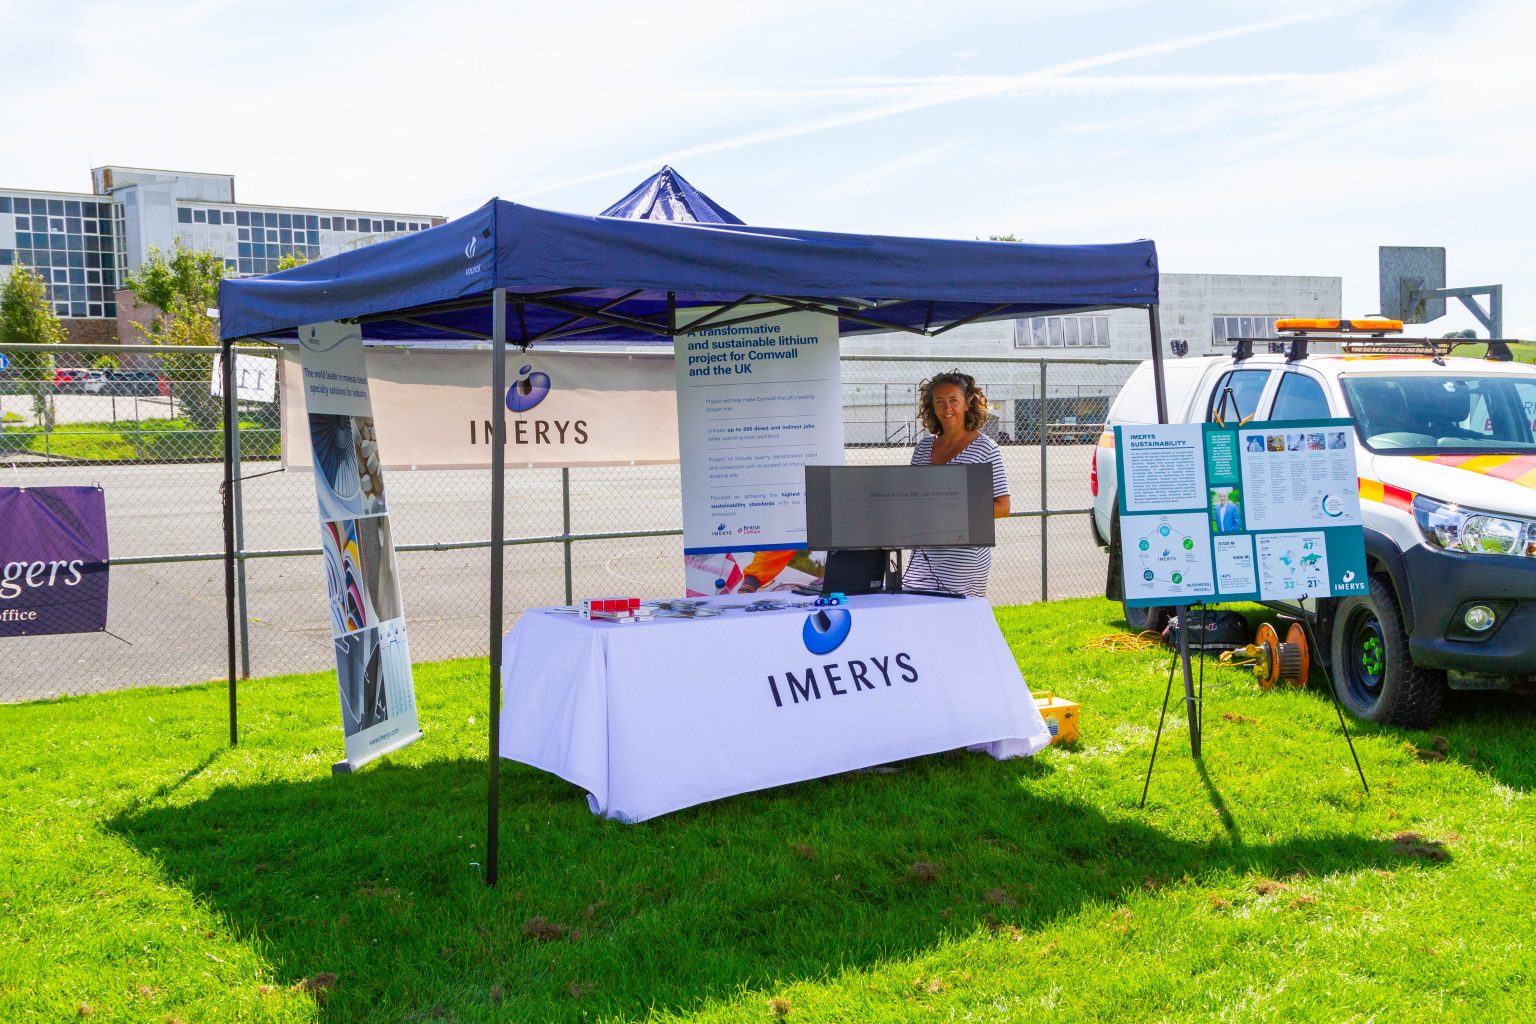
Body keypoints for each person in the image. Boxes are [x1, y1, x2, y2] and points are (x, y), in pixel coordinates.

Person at [900, 371, 1010, 597]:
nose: (946, 407)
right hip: (923, 557)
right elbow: (911, 501)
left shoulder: (985, 448)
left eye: (953, 400)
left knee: (956, 624)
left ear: (967, 404)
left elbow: (1002, 507)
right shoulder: (923, 449)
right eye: (939, 401)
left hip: (963, 561)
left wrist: (951, 510)